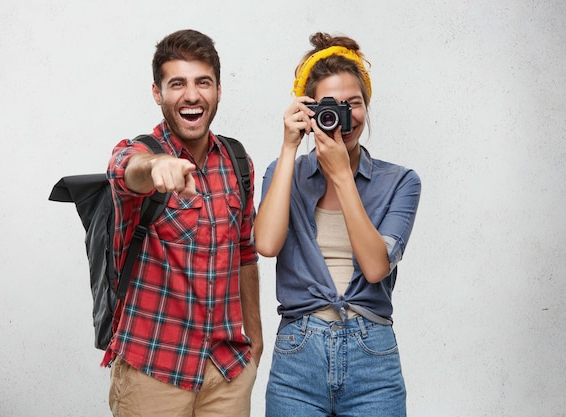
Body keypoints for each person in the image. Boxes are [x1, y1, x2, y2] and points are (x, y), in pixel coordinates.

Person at [255, 32, 421, 417]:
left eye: (354, 104)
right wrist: (288, 147)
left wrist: (344, 178)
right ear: (309, 110)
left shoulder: (401, 181)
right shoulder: (283, 173)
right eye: (331, 106)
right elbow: (266, 244)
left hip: (372, 358)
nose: (344, 117)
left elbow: (377, 266)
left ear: (367, 106)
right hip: (297, 355)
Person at [104, 29, 262, 417]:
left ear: (218, 91)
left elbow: (245, 253)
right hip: (153, 370)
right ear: (158, 93)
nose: (191, 95)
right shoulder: (140, 152)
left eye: (202, 82)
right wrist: (159, 166)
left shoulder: (237, 162)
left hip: (226, 372)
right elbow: (125, 169)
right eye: (178, 84)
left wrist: (254, 342)